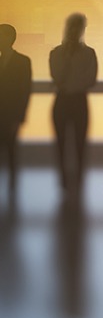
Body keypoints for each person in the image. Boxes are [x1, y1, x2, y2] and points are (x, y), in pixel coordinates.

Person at [48, 13, 98, 201]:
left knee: (80, 144)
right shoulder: (57, 53)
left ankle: (78, 181)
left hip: (77, 100)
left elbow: (91, 79)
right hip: (64, 101)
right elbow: (57, 76)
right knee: (61, 143)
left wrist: (70, 84)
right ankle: (63, 180)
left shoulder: (88, 53)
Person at [0, 24, 33, 199]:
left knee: (11, 151)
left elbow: (24, 91)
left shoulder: (22, 62)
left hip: (10, 115)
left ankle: (12, 190)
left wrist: (20, 116)